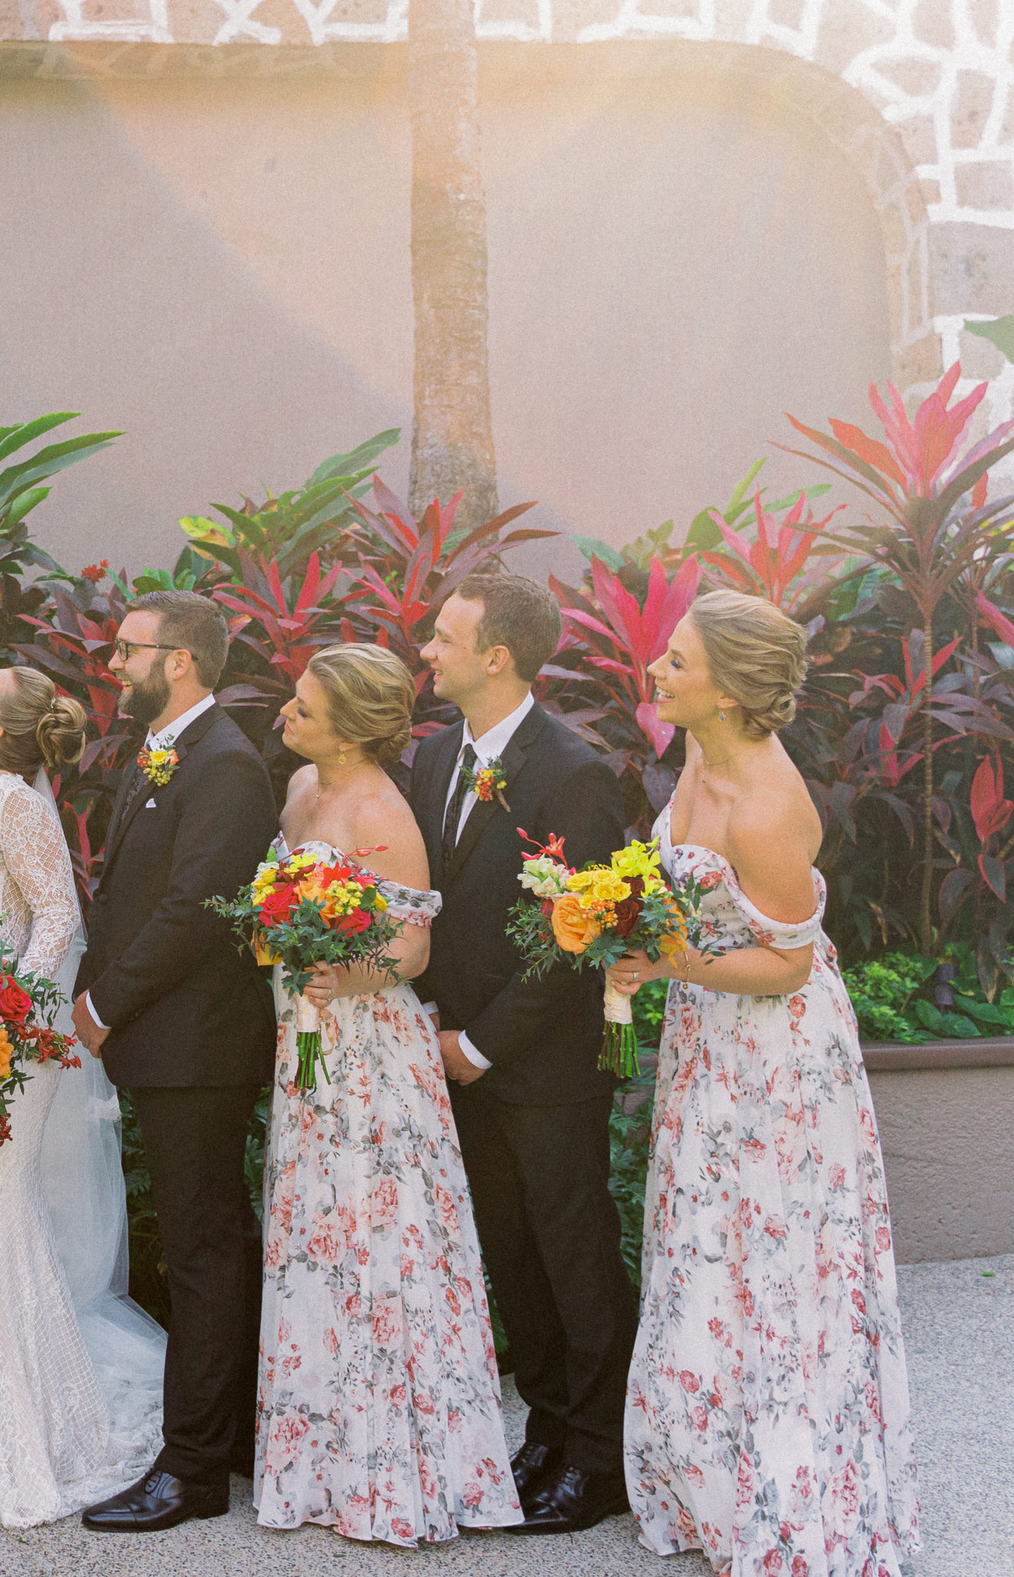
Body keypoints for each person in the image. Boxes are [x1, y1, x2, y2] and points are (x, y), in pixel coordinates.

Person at [609, 589, 918, 1576]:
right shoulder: (699, 754)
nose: (657, 670)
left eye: (678, 662)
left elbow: (787, 964)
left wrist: (664, 964)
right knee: (704, 1246)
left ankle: (784, 1487)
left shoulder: (771, 806)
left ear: (734, 692)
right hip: (709, 1039)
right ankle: (706, 1475)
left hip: (777, 1060)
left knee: (773, 1262)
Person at [247, 644, 521, 1544]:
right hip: (307, 1037)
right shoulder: (297, 792)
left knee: (377, 1238)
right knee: (315, 1236)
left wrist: (339, 971)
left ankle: (399, 1462)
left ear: (353, 725)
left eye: (305, 707)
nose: (287, 715)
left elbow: (410, 950)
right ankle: (319, 1457)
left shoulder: (381, 808)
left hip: (370, 1048)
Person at [0, 665, 166, 1527]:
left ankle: (27, 1436)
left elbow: (58, 918)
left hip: (4, 1047)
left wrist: (1, 1018)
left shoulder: (13, 799)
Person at [408, 571, 635, 1535]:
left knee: (573, 1251)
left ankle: (601, 1454)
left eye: (444, 636)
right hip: (448, 1053)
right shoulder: (429, 760)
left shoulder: (575, 772)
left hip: (537, 1065)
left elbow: (573, 941)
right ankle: (545, 1424)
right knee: (508, 1247)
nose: (426, 649)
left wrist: (484, 1043)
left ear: (497, 656)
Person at [71, 589, 279, 1533]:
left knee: (201, 1248)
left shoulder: (228, 767)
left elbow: (194, 908)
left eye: (128, 651)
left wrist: (105, 1003)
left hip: (198, 1046)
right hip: (165, 1044)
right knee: (202, 1241)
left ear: (183, 660)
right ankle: (223, 1433)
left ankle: (193, 1469)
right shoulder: (160, 753)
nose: (114, 666)